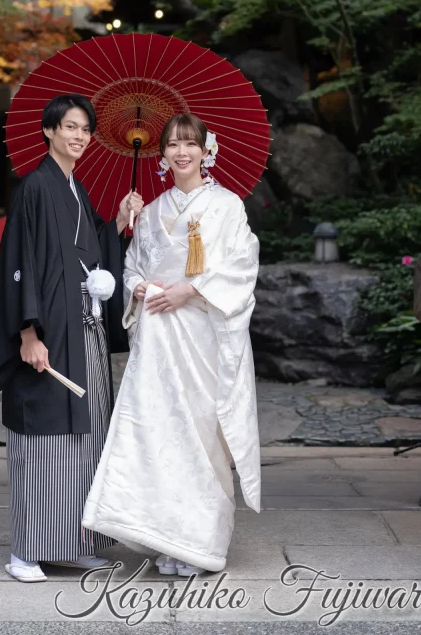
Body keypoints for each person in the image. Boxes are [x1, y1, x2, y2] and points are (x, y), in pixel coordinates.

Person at [82, 112, 261, 577]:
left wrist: (191, 290)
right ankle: (165, 536)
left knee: (201, 433)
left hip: (203, 335)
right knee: (159, 431)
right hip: (160, 337)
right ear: (161, 154)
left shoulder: (227, 206)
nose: (182, 153)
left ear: (206, 151)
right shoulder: (150, 210)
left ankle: (200, 542)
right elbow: (132, 267)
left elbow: (243, 265)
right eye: (173, 145)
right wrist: (138, 286)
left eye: (190, 144)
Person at [0, 93, 144, 583]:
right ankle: (26, 551)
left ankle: (74, 543)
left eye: (85, 129)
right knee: (44, 439)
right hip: (51, 331)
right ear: (49, 131)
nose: (79, 136)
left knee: (88, 433)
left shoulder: (76, 189)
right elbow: (18, 263)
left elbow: (93, 248)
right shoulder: (34, 187)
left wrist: (119, 222)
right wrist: (27, 333)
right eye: (70, 127)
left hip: (85, 330)